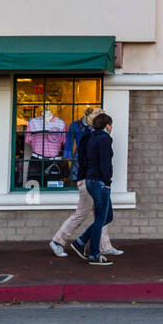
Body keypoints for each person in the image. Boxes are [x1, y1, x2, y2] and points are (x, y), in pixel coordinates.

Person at [47, 109, 122, 258]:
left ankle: (105, 246)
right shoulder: (90, 137)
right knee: (83, 214)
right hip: (89, 180)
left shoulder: (92, 136)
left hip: (90, 179)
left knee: (101, 214)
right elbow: (86, 161)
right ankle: (58, 241)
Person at [73, 112, 117, 265]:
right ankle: (94, 254)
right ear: (107, 125)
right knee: (100, 218)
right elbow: (105, 163)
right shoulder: (104, 139)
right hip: (99, 182)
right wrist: (107, 181)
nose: (111, 128)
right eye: (111, 125)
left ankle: (80, 241)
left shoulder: (92, 138)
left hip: (91, 180)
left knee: (107, 216)